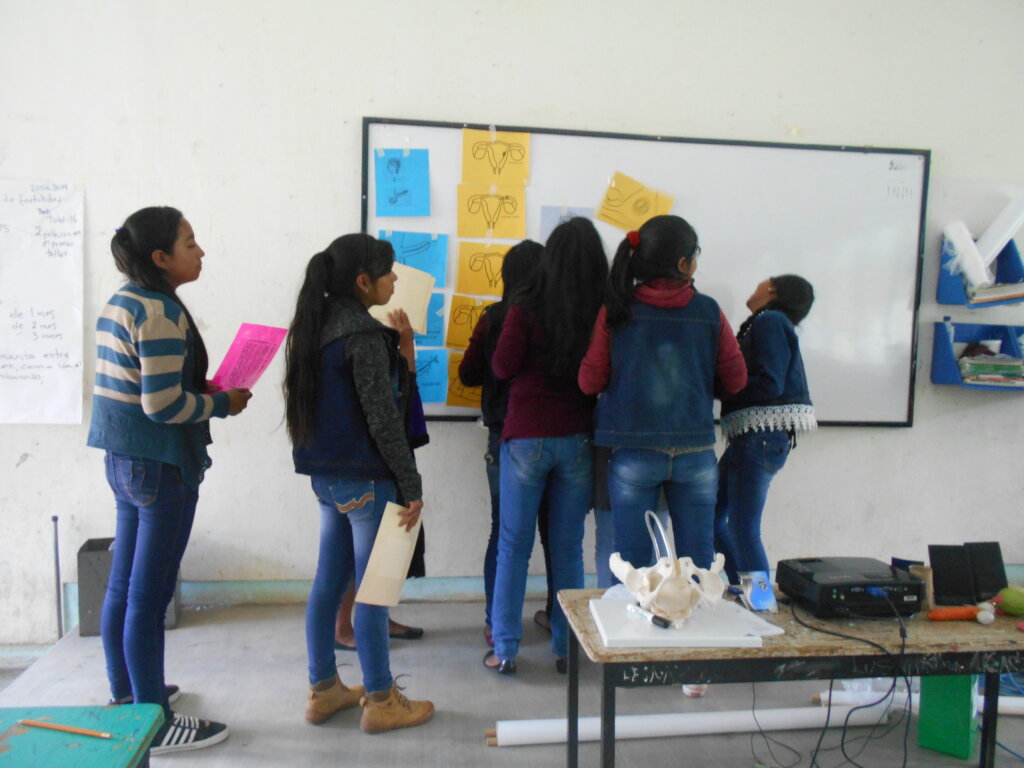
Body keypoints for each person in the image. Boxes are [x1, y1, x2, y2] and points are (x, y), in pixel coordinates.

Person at [87, 206, 251, 755]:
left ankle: (129, 694)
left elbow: (145, 383)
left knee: (125, 587)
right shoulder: (157, 311)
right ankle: (153, 722)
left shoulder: (123, 299)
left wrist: (201, 387)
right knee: (149, 596)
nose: (200, 250)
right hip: (157, 463)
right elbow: (160, 405)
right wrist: (221, 403)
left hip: (124, 459)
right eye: (189, 242)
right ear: (160, 258)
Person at [285, 233, 433, 733]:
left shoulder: (314, 328)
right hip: (368, 482)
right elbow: (386, 422)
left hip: (327, 480)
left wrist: (405, 351)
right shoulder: (364, 338)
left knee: (329, 584)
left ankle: (323, 689)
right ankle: (381, 699)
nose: (396, 280)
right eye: (389, 272)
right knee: (375, 591)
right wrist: (411, 485)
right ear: (363, 282)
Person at [579, 215, 747, 576]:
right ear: (684, 264)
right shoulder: (709, 312)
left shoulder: (617, 311)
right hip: (695, 453)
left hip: (634, 453)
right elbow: (736, 381)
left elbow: (589, 382)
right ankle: (694, 626)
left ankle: (639, 628)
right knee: (698, 568)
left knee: (635, 571)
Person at [485, 218, 608, 674]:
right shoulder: (602, 309)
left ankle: (505, 650)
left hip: (526, 438)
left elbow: (500, 366)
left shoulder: (528, 303)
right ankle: (567, 650)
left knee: (513, 547)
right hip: (577, 437)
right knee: (568, 548)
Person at [457, 240, 549, 647]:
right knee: (554, 534)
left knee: (504, 533)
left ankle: (496, 623)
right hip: (557, 434)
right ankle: (561, 620)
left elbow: (469, 373)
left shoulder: (493, 318)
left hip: (504, 437)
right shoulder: (558, 318)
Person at [713, 275, 816, 587]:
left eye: (762, 282)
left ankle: (759, 602)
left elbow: (770, 383)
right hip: (754, 438)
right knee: (712, 518)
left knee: (743, 528)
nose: (754, 286)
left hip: (759, 439)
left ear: (772, 289)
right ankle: (743, 590)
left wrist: (723, 388)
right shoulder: (767, 322)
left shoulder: (770, 321)